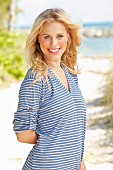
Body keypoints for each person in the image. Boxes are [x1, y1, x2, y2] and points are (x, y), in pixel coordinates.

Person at [13, 8, 86, 170]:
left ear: (68, 36)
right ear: (38, 40)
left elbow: (75, 129)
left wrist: (80, 163)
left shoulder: (70, 74)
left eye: (59, 36)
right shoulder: (36, 78)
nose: (54, 44)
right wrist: (55, 137)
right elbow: (23, 134)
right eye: (47, 37)